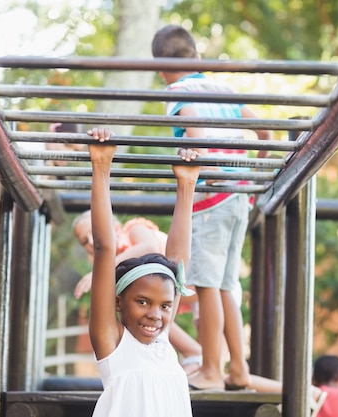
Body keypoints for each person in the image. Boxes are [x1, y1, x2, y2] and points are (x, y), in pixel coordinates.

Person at [152, 24, 273, 391]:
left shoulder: (177, 90)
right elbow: (265, 133)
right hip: (238, 198)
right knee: (224, 287)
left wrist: (212, 170)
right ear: (198, 59)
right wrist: (251, 179)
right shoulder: (224, 88)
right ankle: (237, 370)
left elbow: (196, 138)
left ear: (159, 68)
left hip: (210, 199)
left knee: (205, 286)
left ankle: (209, 368)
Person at [86, 126, 200, 417]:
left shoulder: (161, 340)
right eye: (142, 302)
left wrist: (186, 185)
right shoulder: (113, 343)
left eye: (165, 305)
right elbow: (104, 249)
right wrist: (101, 166)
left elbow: (177, 260)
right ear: (117, 301)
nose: (156, 314)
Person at [72, 210, 203, 374]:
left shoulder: (134, 228)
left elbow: (148, 247)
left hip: (196, 282)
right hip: (170, 295)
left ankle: (202, 363)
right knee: (150, 313)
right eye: (84, 241)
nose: (91, 241)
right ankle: (189, 362)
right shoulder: (117, 268)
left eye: (94, 233)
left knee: (152, 309)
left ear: (116, 228)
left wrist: (100, 271)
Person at [0, 122, 84, 230]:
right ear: (52, 131)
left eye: (75, 151)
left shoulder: (49, 163)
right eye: (67, 145)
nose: (69, 153)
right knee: (15, 223)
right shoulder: (31, 149)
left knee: (19, 222)